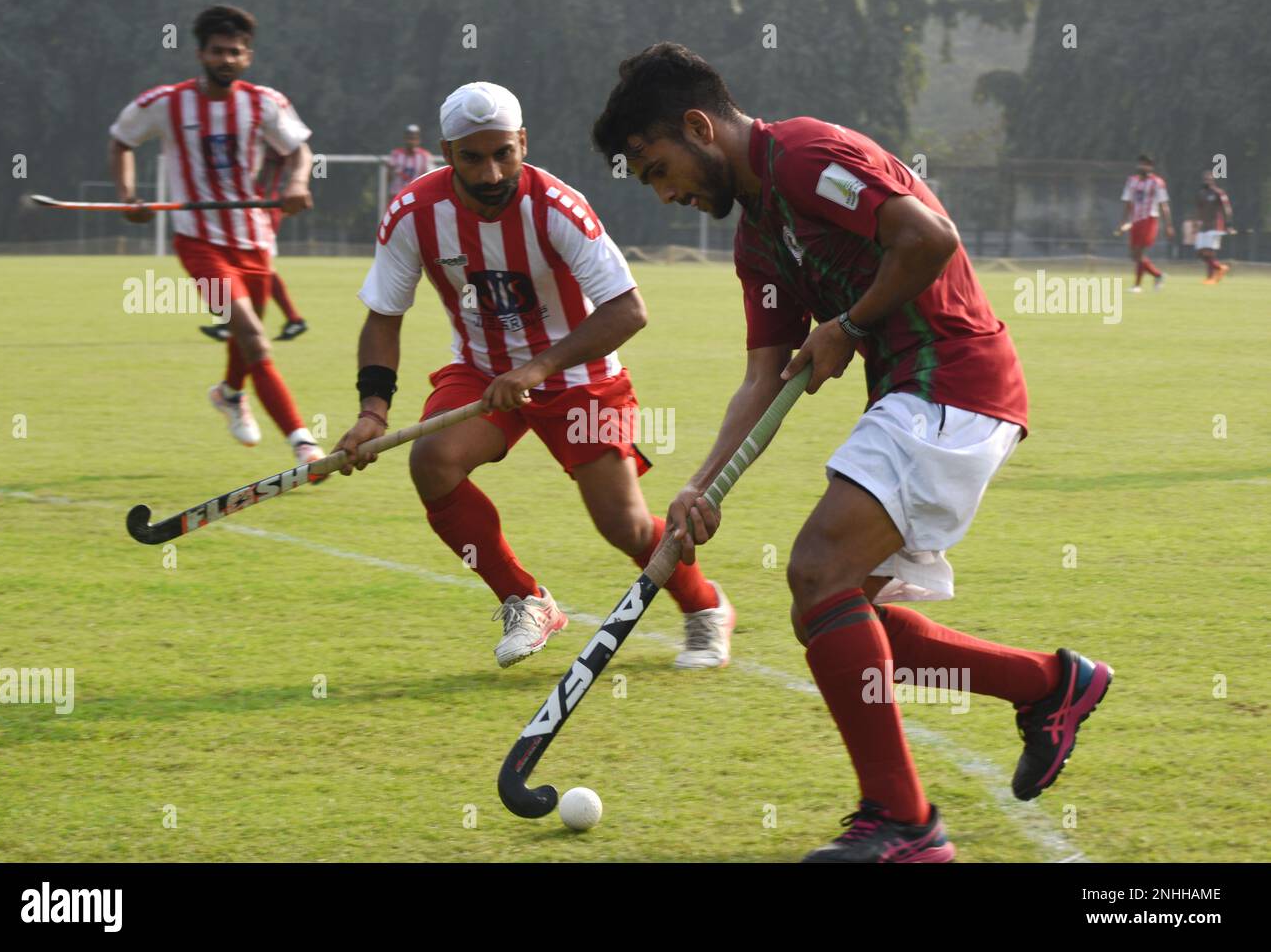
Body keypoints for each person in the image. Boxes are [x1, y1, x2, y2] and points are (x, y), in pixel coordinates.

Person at [593, 43, 1112, 862]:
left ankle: (905, 825)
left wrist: (850, 324)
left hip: (955, 382)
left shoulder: (804, 158)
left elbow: (928, 238)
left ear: (699, 127)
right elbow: (764, 374)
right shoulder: (756, 240)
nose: (669, 194)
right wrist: (699, 488)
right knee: (843, 614)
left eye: (661, 169)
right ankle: (1051, 685)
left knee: (815, 571)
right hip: (912, 397)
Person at [334, 82, 734, 670]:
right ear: (447, 153)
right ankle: (526, 600)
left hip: (580, 377)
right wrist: (373, 412)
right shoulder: (414, 215)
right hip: (481, 369)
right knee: (433, 462)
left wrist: (539, 366)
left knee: (622, 524)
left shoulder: (556, 207)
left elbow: (628, 310)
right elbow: (384, 317)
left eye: (503, 153)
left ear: (523, 142)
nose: (491, 172)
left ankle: (704, 608)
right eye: (473, 157)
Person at [109, 4, 324, 465]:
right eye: (218, 51)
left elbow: (299, 151)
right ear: (200, 54)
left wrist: (297, 182)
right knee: (253, 335)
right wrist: (129, 196)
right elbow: (122, 139)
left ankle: (229, 393)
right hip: (199, 241)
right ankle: (302, 442)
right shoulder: (167, 102)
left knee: (247, 338)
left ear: (248, 57)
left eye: (236, 52)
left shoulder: (264, 102)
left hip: (255, 238)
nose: (227, 59)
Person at [200, 141, 310, 342]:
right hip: (251, 209)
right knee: (250, 266)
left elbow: (268, 178)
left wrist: (264, 208)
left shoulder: (274, 142)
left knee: (256, 267)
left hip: (259, 209)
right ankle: (292, 319)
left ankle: (229, 323)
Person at [1118, 154, 1174, 293]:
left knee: (1139, 252)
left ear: (1151, 167)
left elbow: (1164, 205)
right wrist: (1123, 221)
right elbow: (1128, 202)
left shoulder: (1157, 182)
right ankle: (1157, 275)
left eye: (1146, 164)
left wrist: (1168, 225)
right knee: (1134, 255)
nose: (1143, 166)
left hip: (1149, 219)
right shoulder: (1131, 181)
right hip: (1135, 221)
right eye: (1141, 163)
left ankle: (1137, 285)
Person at [1193, 170, 1234, 285]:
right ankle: (1220, 267)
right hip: (1203, 227)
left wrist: (1228, 224)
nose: (1207, 181)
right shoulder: (1201, 193)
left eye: (1209, 179)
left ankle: (1210, 278)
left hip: (1215, 226)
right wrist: (1196, 223)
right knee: (1200, 253)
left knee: (1209, 252)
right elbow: (1198, 209)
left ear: (1213, 180)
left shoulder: (1218, 193)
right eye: (1205, 179)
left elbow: (1227, 209)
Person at [387, 124, 434, 191]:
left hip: (416, 194)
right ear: (404, 138)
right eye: (409, 138)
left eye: (414, 139)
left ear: (418, 140)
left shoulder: (425, 156)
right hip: (397, 194)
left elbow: (430, 177)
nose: (411, 142)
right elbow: (388, 177)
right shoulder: (395, 154)